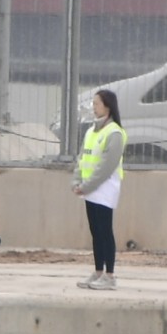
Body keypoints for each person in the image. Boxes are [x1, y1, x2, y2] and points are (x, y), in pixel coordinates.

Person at [72, 89, 127, 291]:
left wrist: (86, 185)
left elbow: (106, 166)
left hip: (104, 189)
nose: (93, 107)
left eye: (97, 103)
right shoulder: (91, 131)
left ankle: (110, 275)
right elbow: (82, 158)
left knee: (104, 230)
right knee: (95, 231)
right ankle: (97, 272)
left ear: (107, 106)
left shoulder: (114, 133)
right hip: (89, 189)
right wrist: (77, 181)